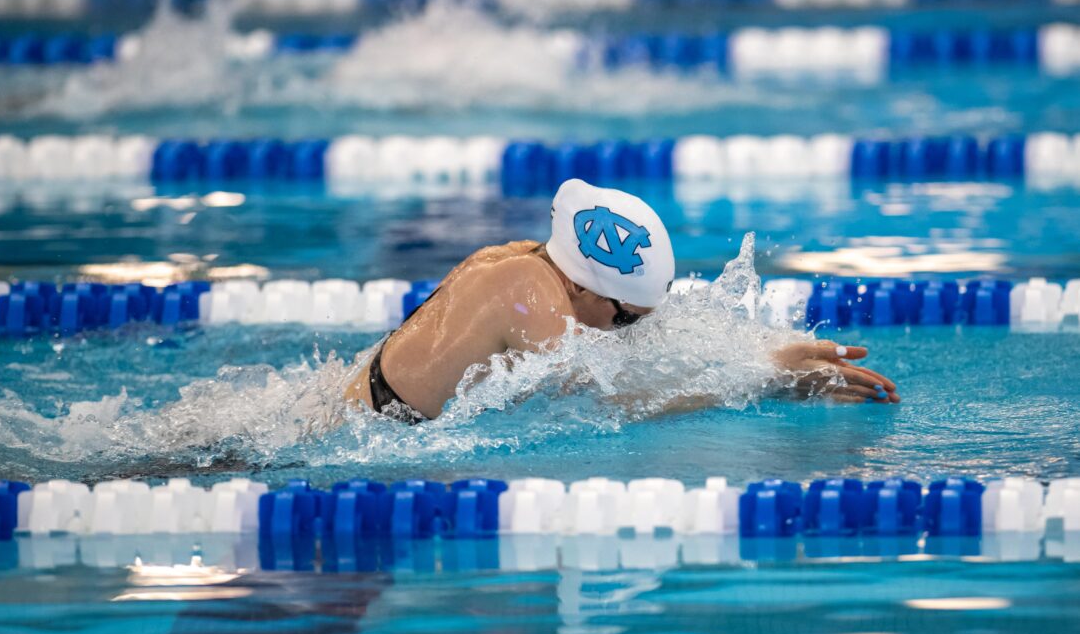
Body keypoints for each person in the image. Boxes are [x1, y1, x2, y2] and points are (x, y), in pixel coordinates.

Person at [344, 179, 900, 422]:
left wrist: (772, 349)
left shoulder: (530, 259)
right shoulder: (527, 295)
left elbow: (655, 352)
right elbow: (611, 401)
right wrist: (765, 378)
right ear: (583, 286)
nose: (627, 331)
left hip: (346, 404)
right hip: (352, 441)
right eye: (624, 319)